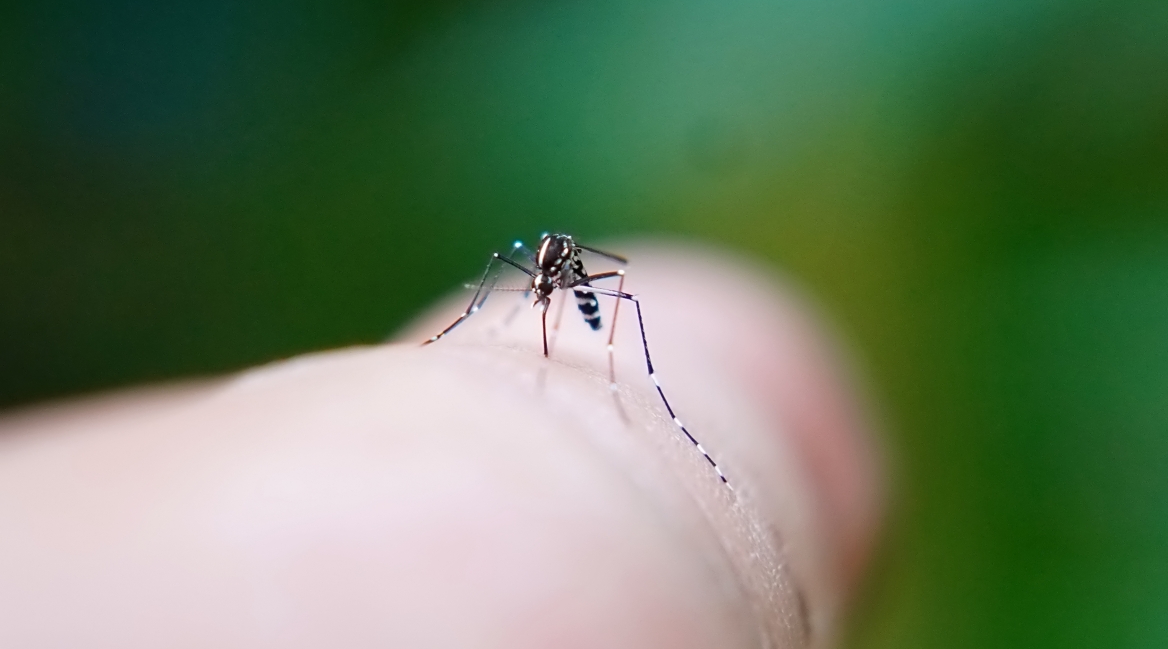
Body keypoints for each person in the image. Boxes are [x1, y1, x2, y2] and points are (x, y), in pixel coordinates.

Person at [0, 244, 881, 648]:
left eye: (549, 271)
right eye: (547, 272)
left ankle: (610, 371)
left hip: (619, 362)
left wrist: (602, 347)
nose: (546, 275)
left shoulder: (585, 279)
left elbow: (610, 274)